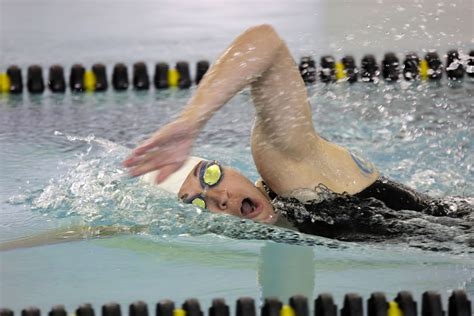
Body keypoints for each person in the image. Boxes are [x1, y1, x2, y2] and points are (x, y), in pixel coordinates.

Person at [123, 25, 472, 243]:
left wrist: (191, 121)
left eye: (210, 176)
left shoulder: (283, 169)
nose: (221, 198)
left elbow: (266, 44)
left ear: (228, 167)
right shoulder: (282, 226)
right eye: (197, 201)